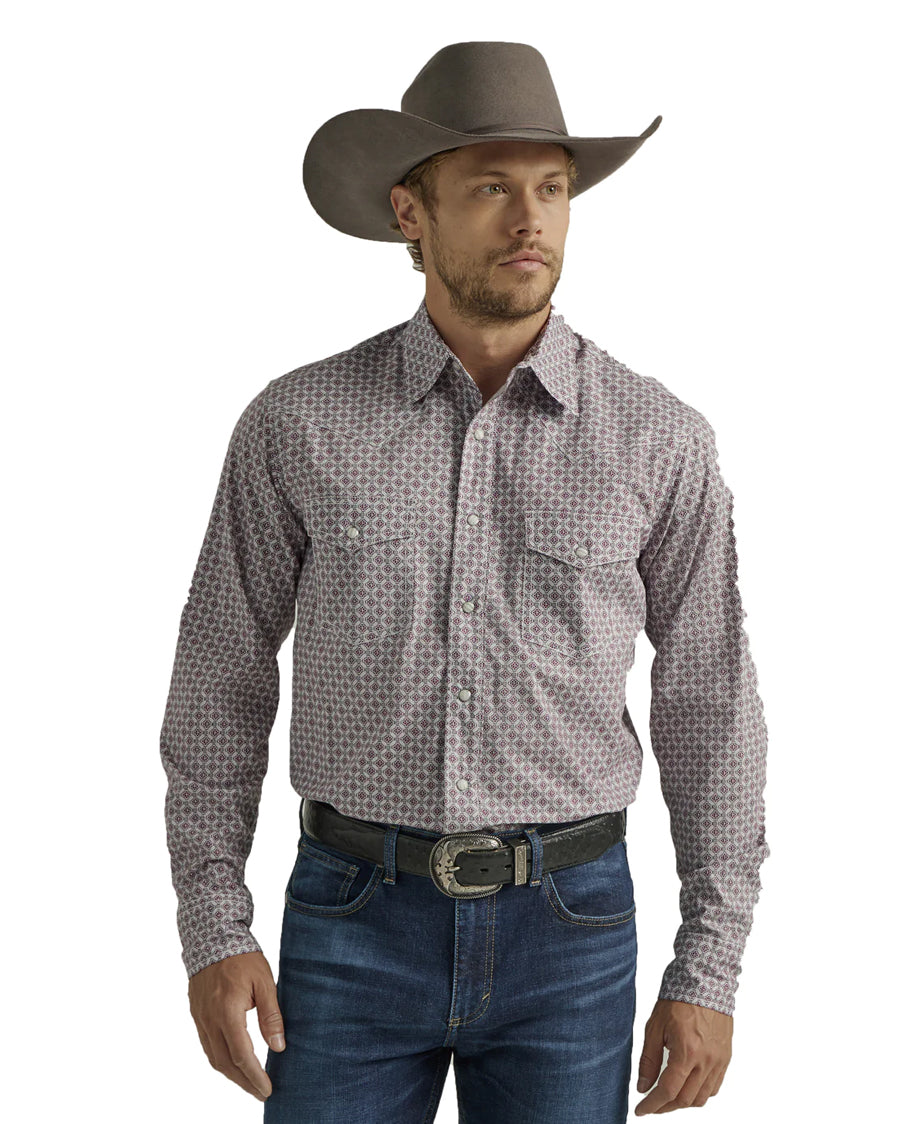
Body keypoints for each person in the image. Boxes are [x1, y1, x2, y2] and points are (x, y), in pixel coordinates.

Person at [159, 41, 770, 1122]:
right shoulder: (297, 423)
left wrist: (709, 968)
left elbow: (711, 701)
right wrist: (215, 926)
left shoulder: (658, 438)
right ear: (412, 212)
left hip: (572, 930)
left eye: (551, 188)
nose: (530, 220)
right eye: (491, 187)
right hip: (350, 916)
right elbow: (221, 675)